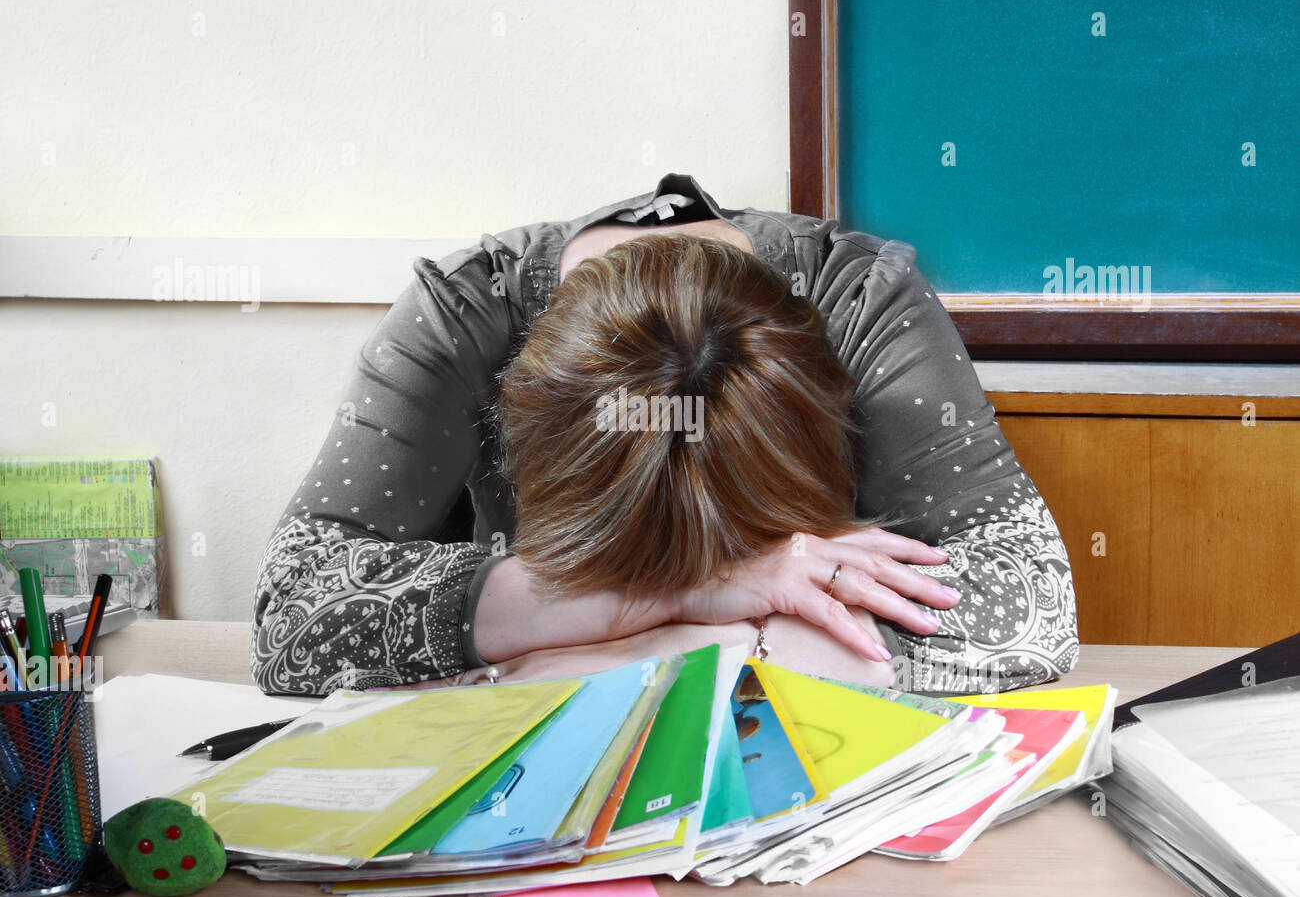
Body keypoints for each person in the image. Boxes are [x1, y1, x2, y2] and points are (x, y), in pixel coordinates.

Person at [250, 172, 1078, 697]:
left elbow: (1030, 598)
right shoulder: (464, 312)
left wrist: (645, 650)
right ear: (514, 421)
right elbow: (292, 608)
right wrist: (703, 595)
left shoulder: (857, 300)